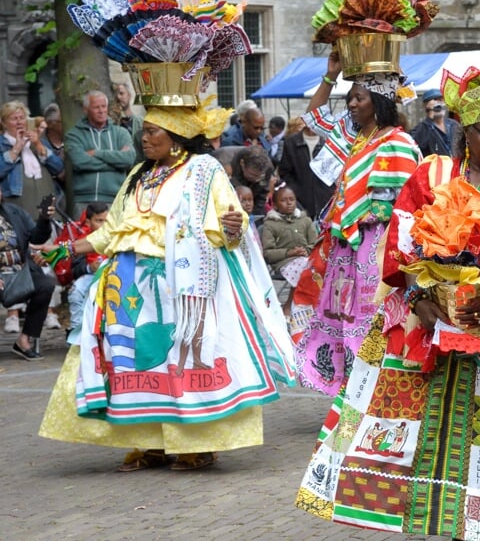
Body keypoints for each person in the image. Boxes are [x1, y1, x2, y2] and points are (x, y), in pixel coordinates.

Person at [296, 61, 480, 541]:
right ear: (466, 131)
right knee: (418, 426)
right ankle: (430, 517)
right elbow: (403, 234)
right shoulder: (433, 172)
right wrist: (420, 296)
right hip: (432, 317)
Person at [37, 98, 295, 472]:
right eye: (143, 131)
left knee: (182, 363)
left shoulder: (203, 169)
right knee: (141, 364)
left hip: (184, 284)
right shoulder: (140, 174)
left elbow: (229, 222)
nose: (144, 138)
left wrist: (232, 227)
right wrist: (64, 248)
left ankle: (197, 444)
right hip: (129, 284)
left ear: (176, 136)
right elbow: (113, 231)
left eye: (152, 131)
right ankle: (152, 443)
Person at [290, 51, 421, 395]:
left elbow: (407, 206)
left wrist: (368, 219)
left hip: (378, 248)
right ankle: (350, 387)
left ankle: (378, 387)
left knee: (372, 317)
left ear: (377, 102)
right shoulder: (356, 138)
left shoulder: (398, 142)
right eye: (349, 98)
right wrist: (330, 76)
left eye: (358, 98)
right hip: (346, 248)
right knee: (342, 316)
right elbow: (313, 117)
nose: (350, 105)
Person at [1, 184, 57, 360]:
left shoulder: (13, 212)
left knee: (46, 285)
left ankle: (24, 340)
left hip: (20, 270)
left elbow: (36, 237)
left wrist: (44, 219)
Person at [65, 90, 136, 215]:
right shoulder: (74, 134)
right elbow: (80, 162)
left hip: (114, 200)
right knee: (84, 235)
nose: (101, 111)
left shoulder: (120, 133)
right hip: (84, 201)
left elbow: (129, 159)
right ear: (86, 109)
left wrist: (97, 153)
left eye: (104, 106)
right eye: (96, 107)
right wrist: (116, 162)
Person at [58, 201, 109, 345]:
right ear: (88, 221)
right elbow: (72, 270)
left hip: (112, 275)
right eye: (99, 221)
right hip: (89, 276)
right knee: (76, 291)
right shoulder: (80, 240)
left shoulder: (113, 236)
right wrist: (89, 267)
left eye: (106, 221)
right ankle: (76, 334)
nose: (103, 225)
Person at [1, 101, 65, 213]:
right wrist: (17, 148)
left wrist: (39, 145)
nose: (19, 122)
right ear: (4, 123)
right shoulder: (1, 143)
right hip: (18, 204)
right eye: (14, 118)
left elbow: (58, 168)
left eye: (22, 118)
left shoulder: (40, 142)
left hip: (47, 202)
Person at [260, 184, 317, 305]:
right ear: (275, 205)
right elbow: (268, 253)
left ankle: (311, 304)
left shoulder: (305, 220)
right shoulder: (270, 224)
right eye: (283, 200)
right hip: (284, 262)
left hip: (305, 258)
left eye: (292, 199)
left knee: (317, 267)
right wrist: (289, 253)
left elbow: (315, 243)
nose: (289, 203)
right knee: (305, 269)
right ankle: (289, 304)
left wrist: (306, 250)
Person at [278, 124, 333, 221]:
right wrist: (296, 191)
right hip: (301, 201)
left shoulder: (330, 142)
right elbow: (285, 172)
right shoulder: (291, 143)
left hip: (326, 200)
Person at [409, 88, 461, 157]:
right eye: (434, 100)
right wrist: (430, 115)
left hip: (455, 165)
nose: (438, 103)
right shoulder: (421, 128)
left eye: (440, 99)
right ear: (425, 105)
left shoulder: (453, 125)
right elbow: (417, 147)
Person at [229, 146, 274, 223]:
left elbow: (261, 196)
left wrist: (254, 216)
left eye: (258, 176)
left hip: (254, 198)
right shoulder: (229, 164)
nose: (255, 179)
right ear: (242, 164)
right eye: (251, 175)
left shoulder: (267, 169)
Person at [113, 82, 144, 162]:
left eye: (121, 93)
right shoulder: (112, 123)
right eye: (116, 94)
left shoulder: (140, 122)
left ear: (129, 95)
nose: (118, 97)